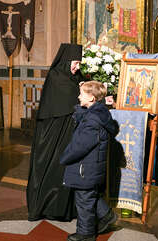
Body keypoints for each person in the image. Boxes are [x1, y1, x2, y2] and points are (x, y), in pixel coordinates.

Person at [27, 43, 83, 221]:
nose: (77, 67)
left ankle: (63, 209)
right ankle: (44, 207)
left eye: (79, 63)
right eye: (75, 62)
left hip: (67, 133)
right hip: (52, 135)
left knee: (65, 171)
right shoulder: (56, 76)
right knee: (50, 169)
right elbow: (73, 96)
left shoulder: (75, 77)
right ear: (66, 61)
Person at [60, 81, 118, 241]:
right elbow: (82, 117)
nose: (78, 96)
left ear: (92, 98)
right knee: (89, 195)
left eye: (82, 94)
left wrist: (65, 157)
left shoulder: (92, 121)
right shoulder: (98, 113)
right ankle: (107, 216)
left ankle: (86, 234)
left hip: (85, 168)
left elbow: (80, 146)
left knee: (84, 200)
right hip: (90, 167)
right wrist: (80, 108)